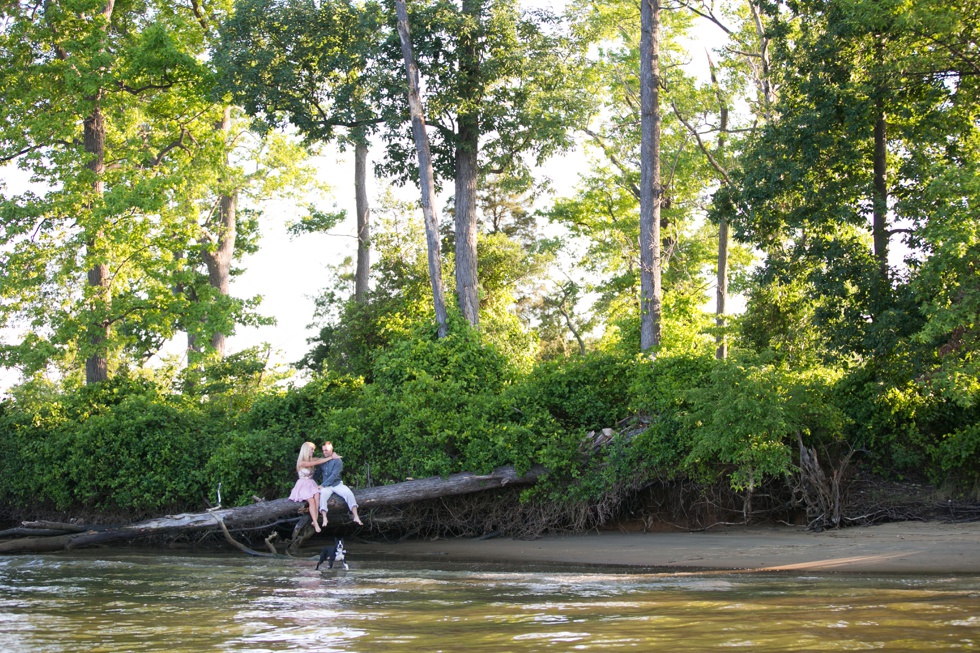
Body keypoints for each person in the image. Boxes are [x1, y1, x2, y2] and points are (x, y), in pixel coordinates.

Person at [317, 441, 363, 527]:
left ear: (331, 449)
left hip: (336, 484)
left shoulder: (338, 461)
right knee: (322, 495)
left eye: (326, 450)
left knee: (348, 493)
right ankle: (324, 518)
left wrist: (322, 485)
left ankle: (356, 516)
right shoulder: (322, 461)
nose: (324, 452)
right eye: (323, 450)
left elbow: (334, 475)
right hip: (326, 486)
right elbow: (317, 473)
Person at [288, 441, 328, 533]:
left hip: (311, 483)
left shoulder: (311, 460)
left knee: (317, 495)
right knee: (311, 500)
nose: (313, 451)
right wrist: (329, 458)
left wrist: (330, 457)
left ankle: (316, 519)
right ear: (306, 450)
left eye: (313, 449)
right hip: (302, 484)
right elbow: (318, 462)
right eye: (311, 449)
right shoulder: (301, 462)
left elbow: (319, 459)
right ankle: (315, 522)